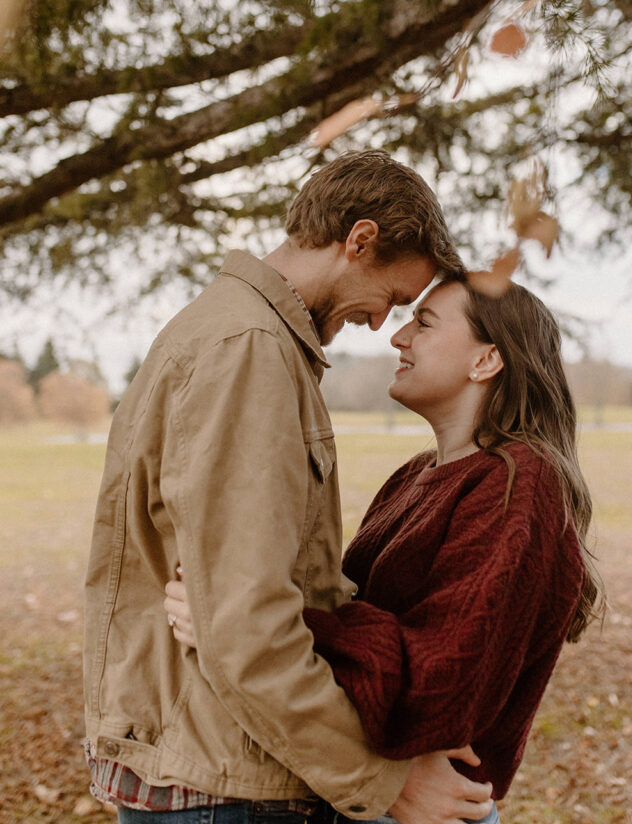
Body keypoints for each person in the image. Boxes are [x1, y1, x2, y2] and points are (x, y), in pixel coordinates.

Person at [83, 151, 495, 824]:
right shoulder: (249, 350)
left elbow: (247, 597)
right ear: (358, 240)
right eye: (390, 296)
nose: (376, 324)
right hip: (222, 780)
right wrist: (383, 782)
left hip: (209, 761)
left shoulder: (237, 334)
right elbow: (247, 625)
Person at [165, 276, 605, 821]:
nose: (398, 337)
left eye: (423, 323)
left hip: (433, 805)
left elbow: (443, 686)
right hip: (377, 793)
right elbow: (351, 610)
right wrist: (240, 608)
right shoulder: (416, 476)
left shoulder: (521, 485)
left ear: (486, 361)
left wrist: (246, 621)